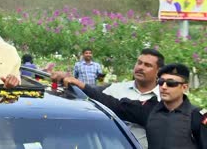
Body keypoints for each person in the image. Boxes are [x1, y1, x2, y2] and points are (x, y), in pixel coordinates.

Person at [55, 63, 207, 149]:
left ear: (184, 87)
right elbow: (114, 105)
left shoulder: (197, 117)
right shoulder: (149, 110)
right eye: (161, 82)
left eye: (171, 83)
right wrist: (82, 86)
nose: (164, 87)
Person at [102, 48, 165, 148]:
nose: (140, 67)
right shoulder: (114, 91)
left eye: (147, 65)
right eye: (139, 63)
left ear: (159, 72)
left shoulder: (163, 98)